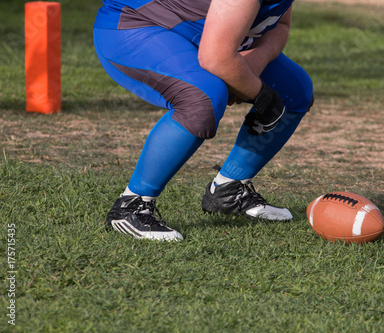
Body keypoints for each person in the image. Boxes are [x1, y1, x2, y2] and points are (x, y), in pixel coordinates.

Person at [93, 0, 314, 241]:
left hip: (209, 38)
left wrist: (251, 68)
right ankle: (131, 206)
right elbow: (216, 59)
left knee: (294, 90)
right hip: (136, 26)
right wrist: (261, 95)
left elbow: (280, 25)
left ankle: (229, 191)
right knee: (202, 97)